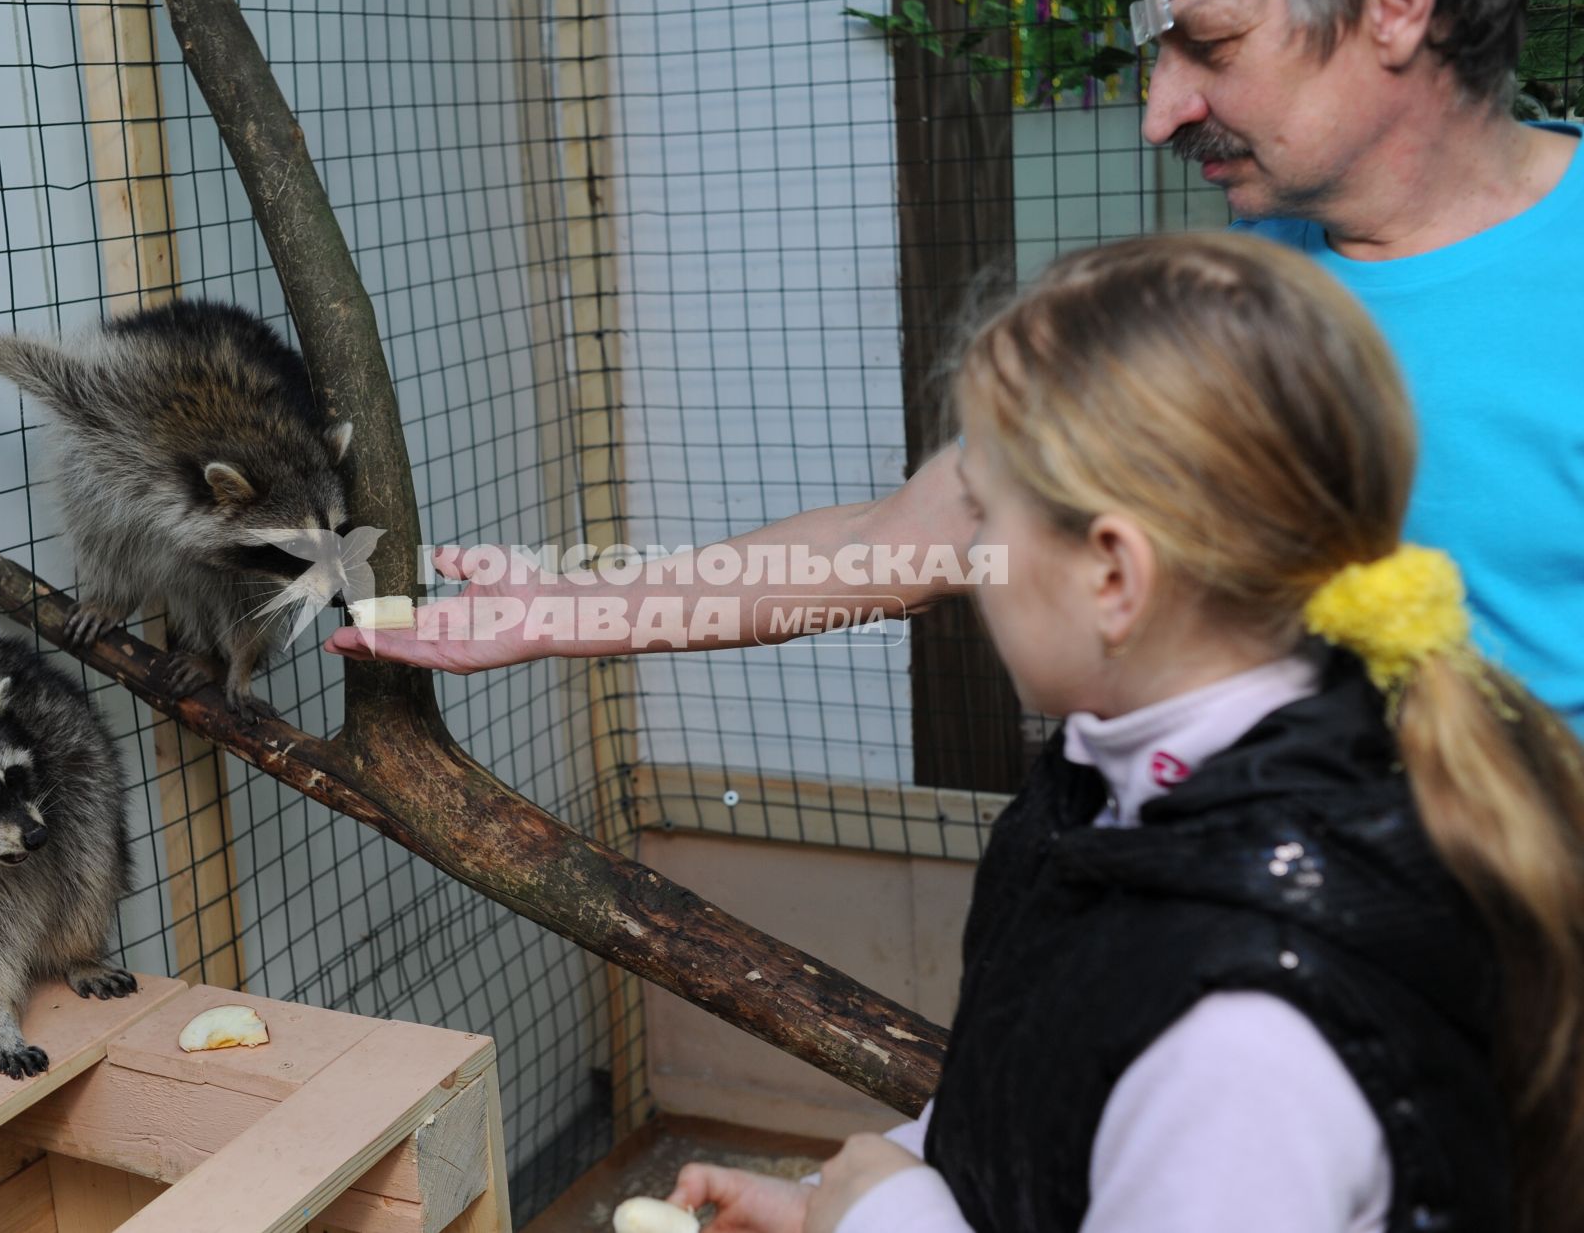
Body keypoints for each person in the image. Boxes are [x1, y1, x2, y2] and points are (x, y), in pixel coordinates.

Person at [326, 0, 1583, 735]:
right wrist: (576, 606)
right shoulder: (1225, 303)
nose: (1161, 112)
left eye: (1210, 46)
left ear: (1397, 1)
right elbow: (900, 539)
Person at [663, 232, 1584, 1232]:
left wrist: (886, 1215)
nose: (971, 556)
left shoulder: (1247, 1047)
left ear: (1114, 576)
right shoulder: (1105, 775)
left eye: (983, 515)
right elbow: (1050, 1085)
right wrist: (830, 1203)